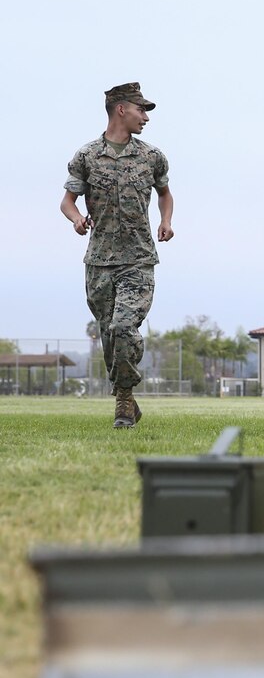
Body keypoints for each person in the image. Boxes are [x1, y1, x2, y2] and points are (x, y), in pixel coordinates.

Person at [60, 82, 174, 428]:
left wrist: (166, 221)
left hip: (138, 259)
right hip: (98, 262)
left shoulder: (152, 156)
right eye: (142, 110)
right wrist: (78, 219)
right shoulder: (86, 156)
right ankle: (126, 394)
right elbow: (67, 201)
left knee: (124, 325)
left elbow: (165, 194)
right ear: (121, 109)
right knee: (109, 334)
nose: (146, 118)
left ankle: (123, 401)